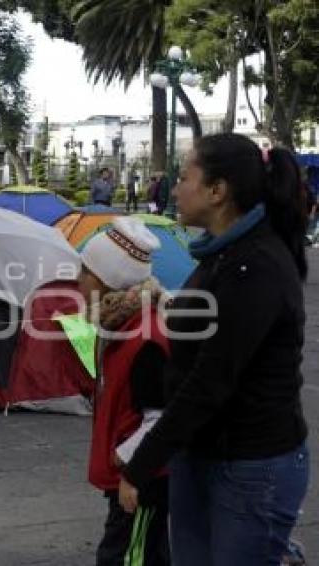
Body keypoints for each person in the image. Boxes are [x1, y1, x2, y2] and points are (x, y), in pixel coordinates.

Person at [117, 134, 310, 565]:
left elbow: (213, 378)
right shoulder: (219, 255)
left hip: (250, 467)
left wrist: (141, 462)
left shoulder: (254, 264)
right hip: (201, 454)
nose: (174, 188)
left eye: (184, 177)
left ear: (218, 191)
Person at [78, 216, 170, 566]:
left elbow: (161, 417)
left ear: (108, 281)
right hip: (132, 477)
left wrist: (126, 460)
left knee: (126, 557)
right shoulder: (120, 327)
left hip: (142, 480)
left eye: (86, 272)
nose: (77, 280)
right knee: (145, 553)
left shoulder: (143, 338)